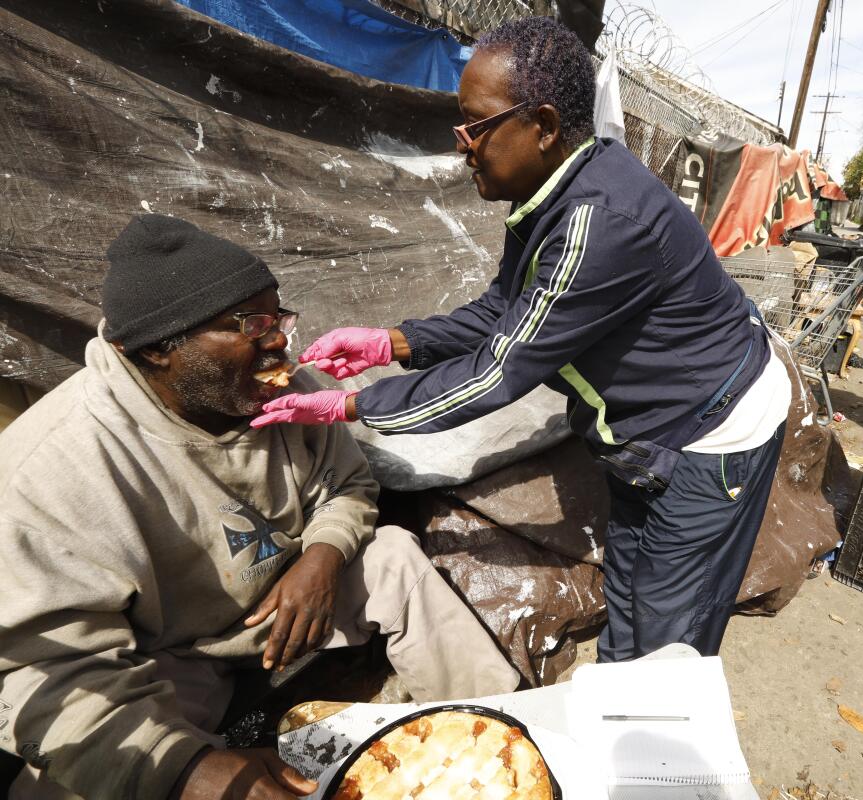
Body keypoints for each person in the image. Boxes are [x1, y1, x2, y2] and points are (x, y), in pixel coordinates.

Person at [252, 17, 790, 664]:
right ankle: (620, 701)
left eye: (475, 125)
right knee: (630, 600)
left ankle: (652, 743)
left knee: (670, 643)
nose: (461, 145)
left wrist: (351, 407)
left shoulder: (598, 225)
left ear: (542, 126)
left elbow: (499, 371)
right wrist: (390, 343)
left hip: (711, 432)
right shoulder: (547, 190)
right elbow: (502, 311)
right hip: (644, 429)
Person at [0, 214, 519, 800]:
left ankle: (506, 734)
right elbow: (48, 673)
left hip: (290, 617)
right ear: (155, 351)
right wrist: (190, 771)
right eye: (249, 324)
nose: (278, 341)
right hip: (171, 661)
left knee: (392, 556)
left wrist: (322, 557)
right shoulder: (52, 469)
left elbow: (349, 483)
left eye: (277, 318)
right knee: (61, 779)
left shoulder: (282, 386)